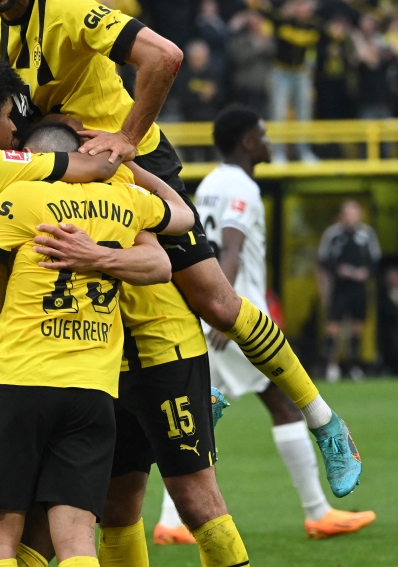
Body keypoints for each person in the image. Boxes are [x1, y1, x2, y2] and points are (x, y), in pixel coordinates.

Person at [0, 0, 362, 500]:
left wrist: (123, 138)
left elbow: (165, 55)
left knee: (216, 302)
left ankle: (324, 419)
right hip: (63, 174)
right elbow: (6, 107)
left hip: (134, 166)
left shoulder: (65, 4)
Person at [0, 126, 195, 567]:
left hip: (17, 384)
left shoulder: (25, 198)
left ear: (35, 158)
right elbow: (182, 214)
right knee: (76, 544)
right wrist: (126, 164)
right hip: (91, 391)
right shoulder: (125, 202)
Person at [0, 54, 127, 564]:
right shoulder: (3, 166)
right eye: (10, 117)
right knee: (29, 538)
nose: (17, 128)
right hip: (6, 368)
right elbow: (94, 166)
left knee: (31, 532)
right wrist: (97, 136)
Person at [151, 107, 377, 541]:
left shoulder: (212, 182)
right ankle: (317, 511)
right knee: (284, 404)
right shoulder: (241, 186)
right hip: (238, 318)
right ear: (248, 142)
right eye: (264, 134)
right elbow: (230, 247)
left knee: (198, 418)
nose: (270, 141)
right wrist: (223, 307)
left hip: (213, 313)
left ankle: (170, 521)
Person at [318, 200, 381, 382]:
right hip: (339, 287)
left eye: (354, 212)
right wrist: (339, 270)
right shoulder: (333, 234)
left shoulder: (367, 234)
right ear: (342, 214)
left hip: (359, 288)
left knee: (357, 327)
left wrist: (366, 272)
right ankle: (331, 366)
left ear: (360, 214)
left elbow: (375, 260)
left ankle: (354, 365)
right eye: (347, 212)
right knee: (333, 327)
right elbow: (323, 259)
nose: (350, 216)